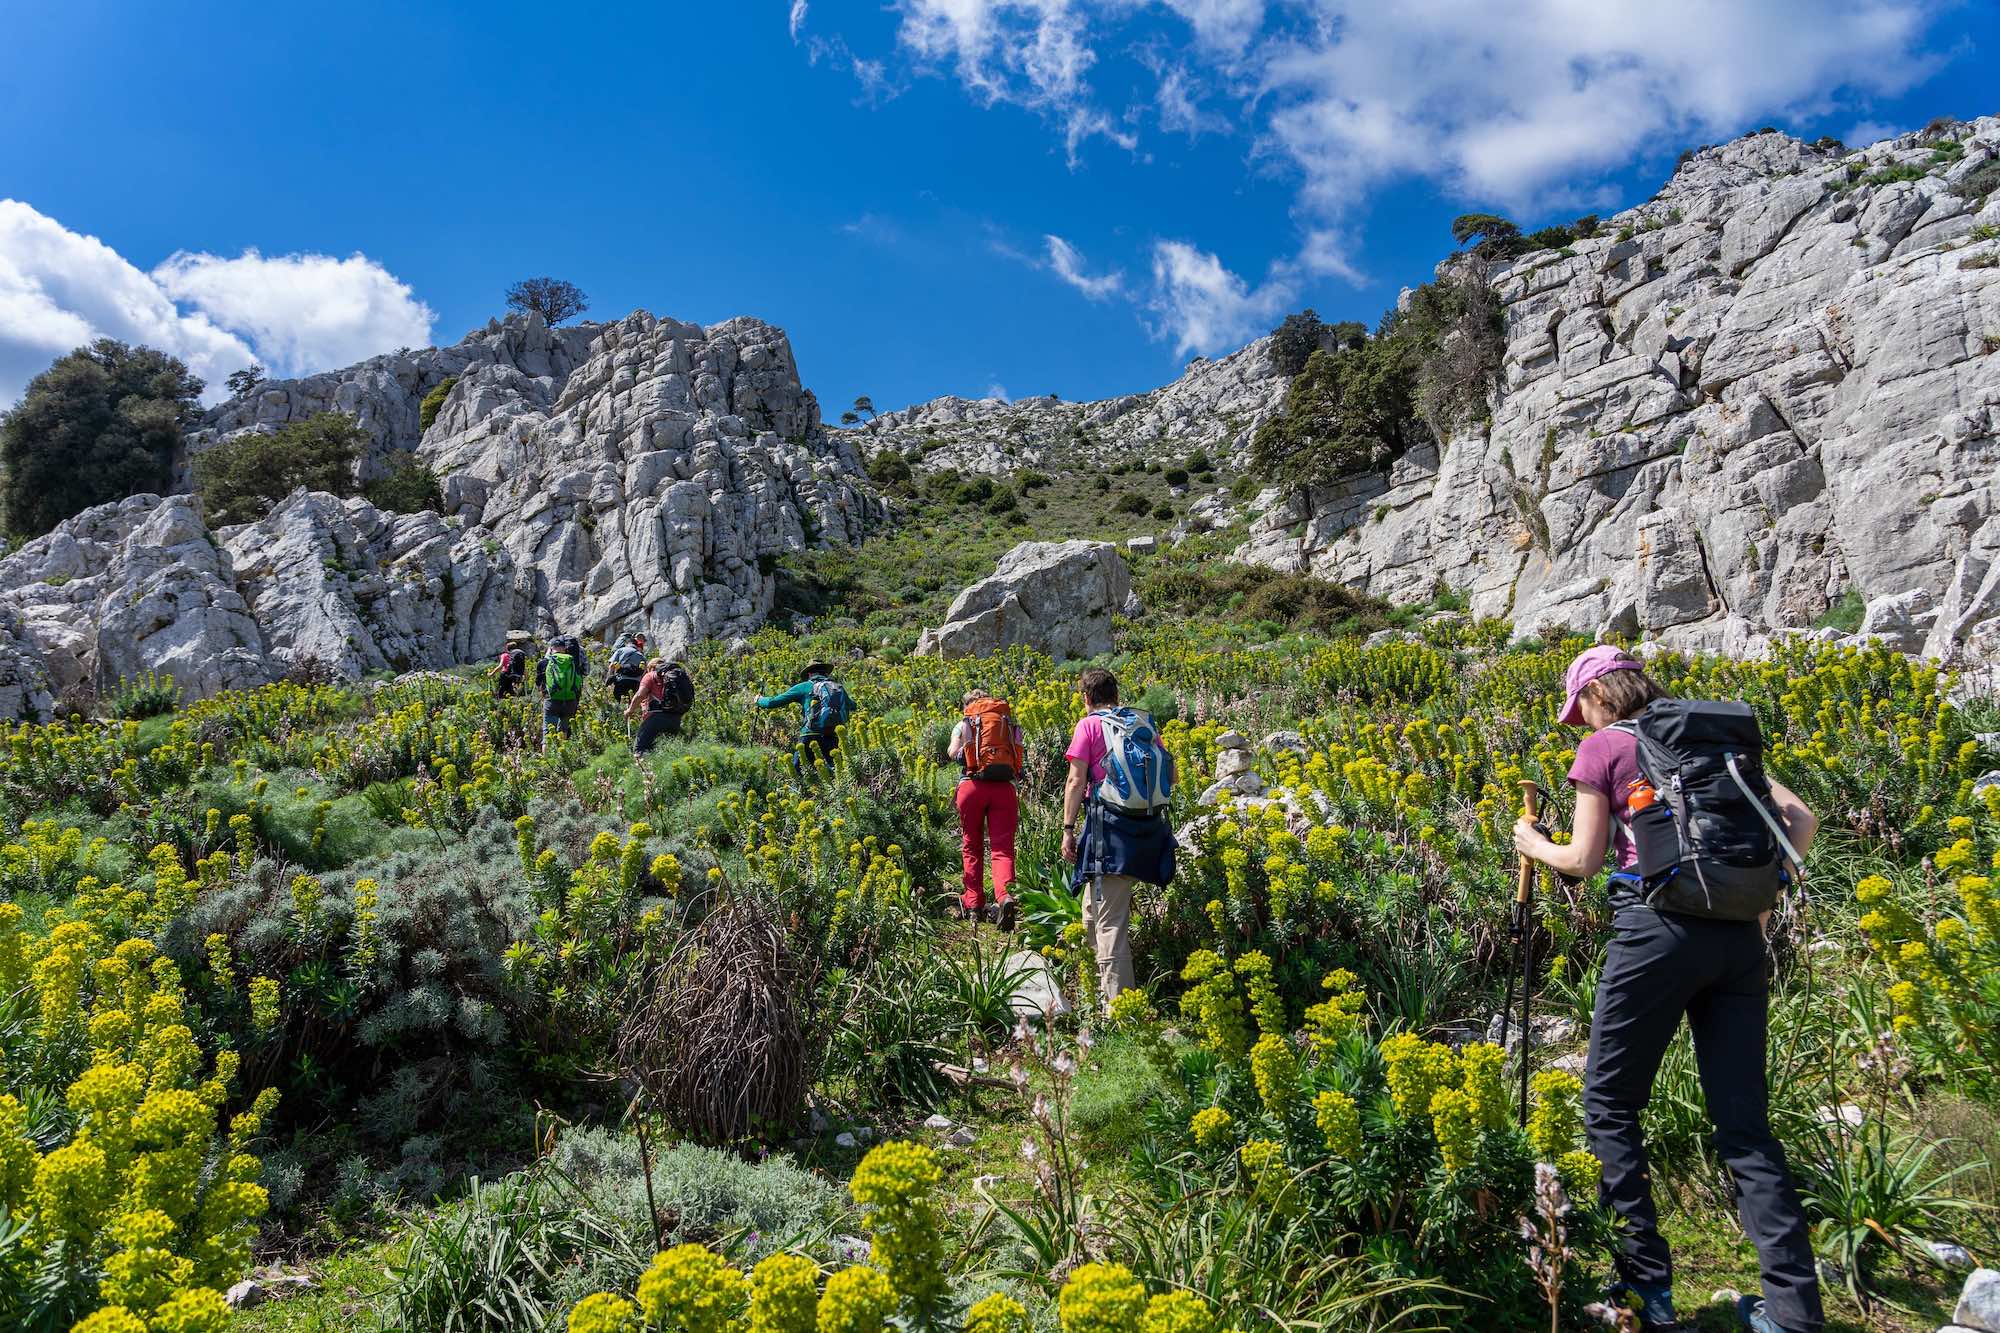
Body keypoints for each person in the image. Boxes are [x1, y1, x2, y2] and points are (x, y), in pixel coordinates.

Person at [1514, 645, 1822, 1333]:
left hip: (1654, 934)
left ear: (1595, 695)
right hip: (1739, 939)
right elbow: (1800, 820)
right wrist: (1758, 895)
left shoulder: (1605, 747)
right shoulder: (1709, 738)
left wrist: (1532, 843)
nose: (1578, 724)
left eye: (1578, 710)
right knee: (1746, 1126)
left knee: (1611, 1104)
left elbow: (1584, 860)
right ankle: (1795, 1314)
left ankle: (1643, 1290)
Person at [1060, 667, 1175, 1009]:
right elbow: (1173, 775)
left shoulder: (1089, 726)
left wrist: (1067, 829)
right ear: (1116, 696)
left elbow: (1075, 782)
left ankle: (1122, 1010)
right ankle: (1093, 995)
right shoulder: (1142, 724)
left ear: (1086, 698)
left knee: (1110, 922)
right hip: (1144, 831)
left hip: (1108, 833)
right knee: (1093, 912)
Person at [947, 690, 1024, 929]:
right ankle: (1005, 897)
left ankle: (973, 903)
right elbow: (1019, 753)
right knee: (1002, 848)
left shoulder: (964, 724)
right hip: (1004, 789)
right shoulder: (1007, 723)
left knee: (972, 844)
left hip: (971, 788)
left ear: (967, 706)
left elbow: (952, 753)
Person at [755, 662, 852, 771]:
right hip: (833, 733)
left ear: (810, 674)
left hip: (810, 734)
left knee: (797, 771)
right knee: (835, 771)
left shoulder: (804, 687)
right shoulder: (837, 688)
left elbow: (771, 703)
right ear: (825, 673)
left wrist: (759, 700)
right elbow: (853, 705)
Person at [628, 657, 694, 755]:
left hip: (656, 718)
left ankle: (642, 769)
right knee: (665, 752)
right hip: (675, 719)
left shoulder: (650, 675)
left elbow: (640, 695)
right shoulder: (673, 677)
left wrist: (630, 710)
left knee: (640, 749)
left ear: (651, 667)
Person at [538, 633, 588, 745]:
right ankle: (562, 754)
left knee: (548, 731)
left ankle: (547, 759)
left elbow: (542, 674)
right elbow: (586, 671)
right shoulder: (578, 653)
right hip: (572, 694)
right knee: (564, 728)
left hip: (551, 697)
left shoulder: (549, 658)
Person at [608, 633, 648, 700]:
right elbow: (644, 671)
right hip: (635, 682)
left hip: (621, 680)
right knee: (630, 702)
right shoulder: (641, 655)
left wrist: (609, 678)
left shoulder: (620, 650)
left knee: (618, 701)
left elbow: (612, 665)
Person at [492, 633, 530, 698]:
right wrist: (526, 676)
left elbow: (500, 666)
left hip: (505, 674)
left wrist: (491, 673)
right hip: (515, 675)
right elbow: (523, 667)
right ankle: (514, 702)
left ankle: (500, 702)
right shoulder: (518, 655)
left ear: (507, 648)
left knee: (502, 690)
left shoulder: (504, 655)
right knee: (512, 691)